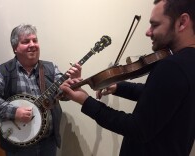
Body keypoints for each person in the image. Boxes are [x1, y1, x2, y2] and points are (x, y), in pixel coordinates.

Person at [60, 0, 195, 155]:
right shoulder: (188, 63)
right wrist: (118, 87)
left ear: (182, 22)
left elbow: (137, 128)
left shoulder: (172, 66)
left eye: (155, 25)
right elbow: (159, 96)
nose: (148, 32)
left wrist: (85, 101)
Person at [0, 24, 81, 156]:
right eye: (26, 41)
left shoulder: (50, 68)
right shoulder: (5, 70)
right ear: (15, 48)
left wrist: (74, 83)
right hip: (18, 145)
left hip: (48, 142)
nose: (32, 44)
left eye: (35, 40)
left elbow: (63, 95)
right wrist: (14, 111)